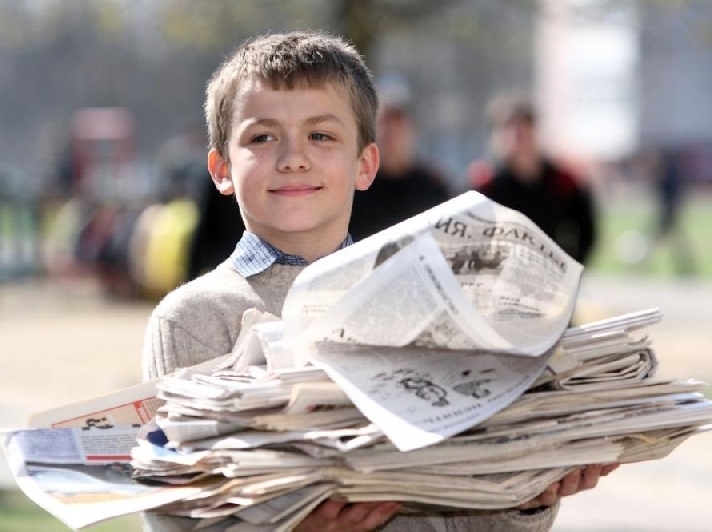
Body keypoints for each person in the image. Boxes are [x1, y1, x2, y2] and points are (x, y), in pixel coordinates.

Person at [142, 31, 616, 532]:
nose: (293, 157)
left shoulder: (431, 307)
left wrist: (526, 499)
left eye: (321, 136)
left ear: (365, 164)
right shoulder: (191, 320)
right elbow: (175, 518)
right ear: (221, 169)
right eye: (262, 137)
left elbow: (466, 516)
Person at [467, 93, 597, 265]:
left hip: (547, 275)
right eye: (509, 129)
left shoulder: (561, 181)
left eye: (524, 129)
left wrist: (568, 267)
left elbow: (586, 231)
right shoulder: (484, 184)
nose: (518, 138)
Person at [348, 78, 451, 241]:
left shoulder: (433, 187)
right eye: (385, 122)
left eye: (398, 122)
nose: (392, 131)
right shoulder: (355, 186)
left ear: (412, 127)